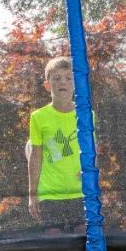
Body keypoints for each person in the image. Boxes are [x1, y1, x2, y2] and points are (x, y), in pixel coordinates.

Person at [27, 56, 85, 234]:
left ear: (74, 84)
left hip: (79, 191)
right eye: (57, 78)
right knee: (54, 241)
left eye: (69, 78)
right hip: (50, 193)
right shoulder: (38, 117)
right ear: (47, 85)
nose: (63, 82)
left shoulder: (85, 114)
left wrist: (90, 173)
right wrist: (32, 194)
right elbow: (35, 156)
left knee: (85, 238)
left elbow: (92, 151)